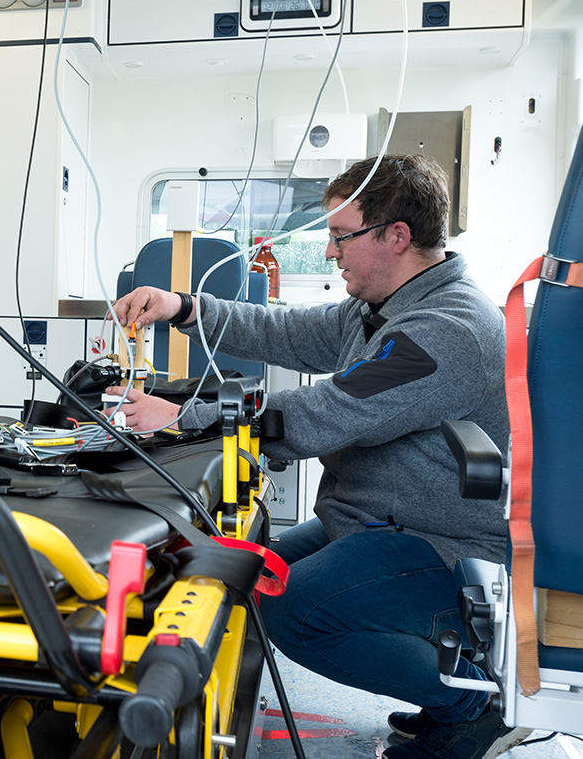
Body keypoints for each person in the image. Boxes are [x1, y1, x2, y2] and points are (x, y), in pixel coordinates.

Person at [107, 155, 524, 759]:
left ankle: (473, 705)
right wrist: (185, 308)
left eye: (339, 235)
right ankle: (447, 693)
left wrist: (181, 418)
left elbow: (325, 414)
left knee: (295, 609)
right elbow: (288, 334)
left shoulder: (448, 331)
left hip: (443, 542)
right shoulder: (383, 305)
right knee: (249, 577)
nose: (330, 252)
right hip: (369, 517)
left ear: (396, 236)